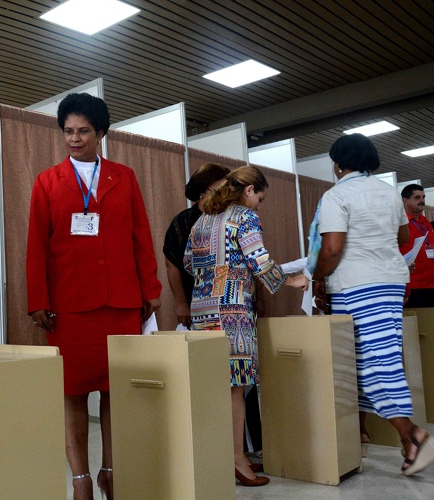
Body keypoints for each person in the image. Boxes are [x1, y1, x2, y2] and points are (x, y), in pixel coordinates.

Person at [26, 93, 161, 500]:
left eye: (83, 131)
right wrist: (38, 299)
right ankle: (80, 480)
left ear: (101, 133)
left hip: (121, 301)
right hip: (69, 305)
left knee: (114, 391)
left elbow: (141, 235)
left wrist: (150, 289)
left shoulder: (125, 176)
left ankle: (111, 471)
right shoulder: (47, 181)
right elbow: (37, 245)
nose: (74, 138)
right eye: (68, 131)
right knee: (73, 392)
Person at [311, 134, 434, 476]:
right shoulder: (387, 192)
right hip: (391, 282)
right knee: (380, 357)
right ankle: (403, 441)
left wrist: (318, 276)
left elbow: (332, 249)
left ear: (338, 164)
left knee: (368, 363)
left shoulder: (336, 195)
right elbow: (403, 239)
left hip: (357, 285)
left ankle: (414, 433)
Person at [184, 165, 309, 487]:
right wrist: (292, 281)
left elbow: (187, 262)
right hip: (232, 310)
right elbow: (258, 259)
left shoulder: (202, 219)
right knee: (235, 387)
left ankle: (218, 456)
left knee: (213, 386)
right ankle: (238, 461)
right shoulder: (243, 217)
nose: (259, 205)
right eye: (260, 197)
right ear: (249, 190)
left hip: (203, 310)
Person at [163, 163, 230, 328]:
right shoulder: (183, 222)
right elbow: (172, 265)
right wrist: (181, 303)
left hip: (229, 302)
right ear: (201, 192)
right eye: (217, 191)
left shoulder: (231, 220)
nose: (223, 197)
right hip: (197, 305)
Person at [400, 184, 434, 307]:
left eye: (423, 197)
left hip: (431, 284)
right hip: (414, 286)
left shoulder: (426, 223)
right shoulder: (401, 224)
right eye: (417, 197)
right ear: (405, 200)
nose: (422, 200)